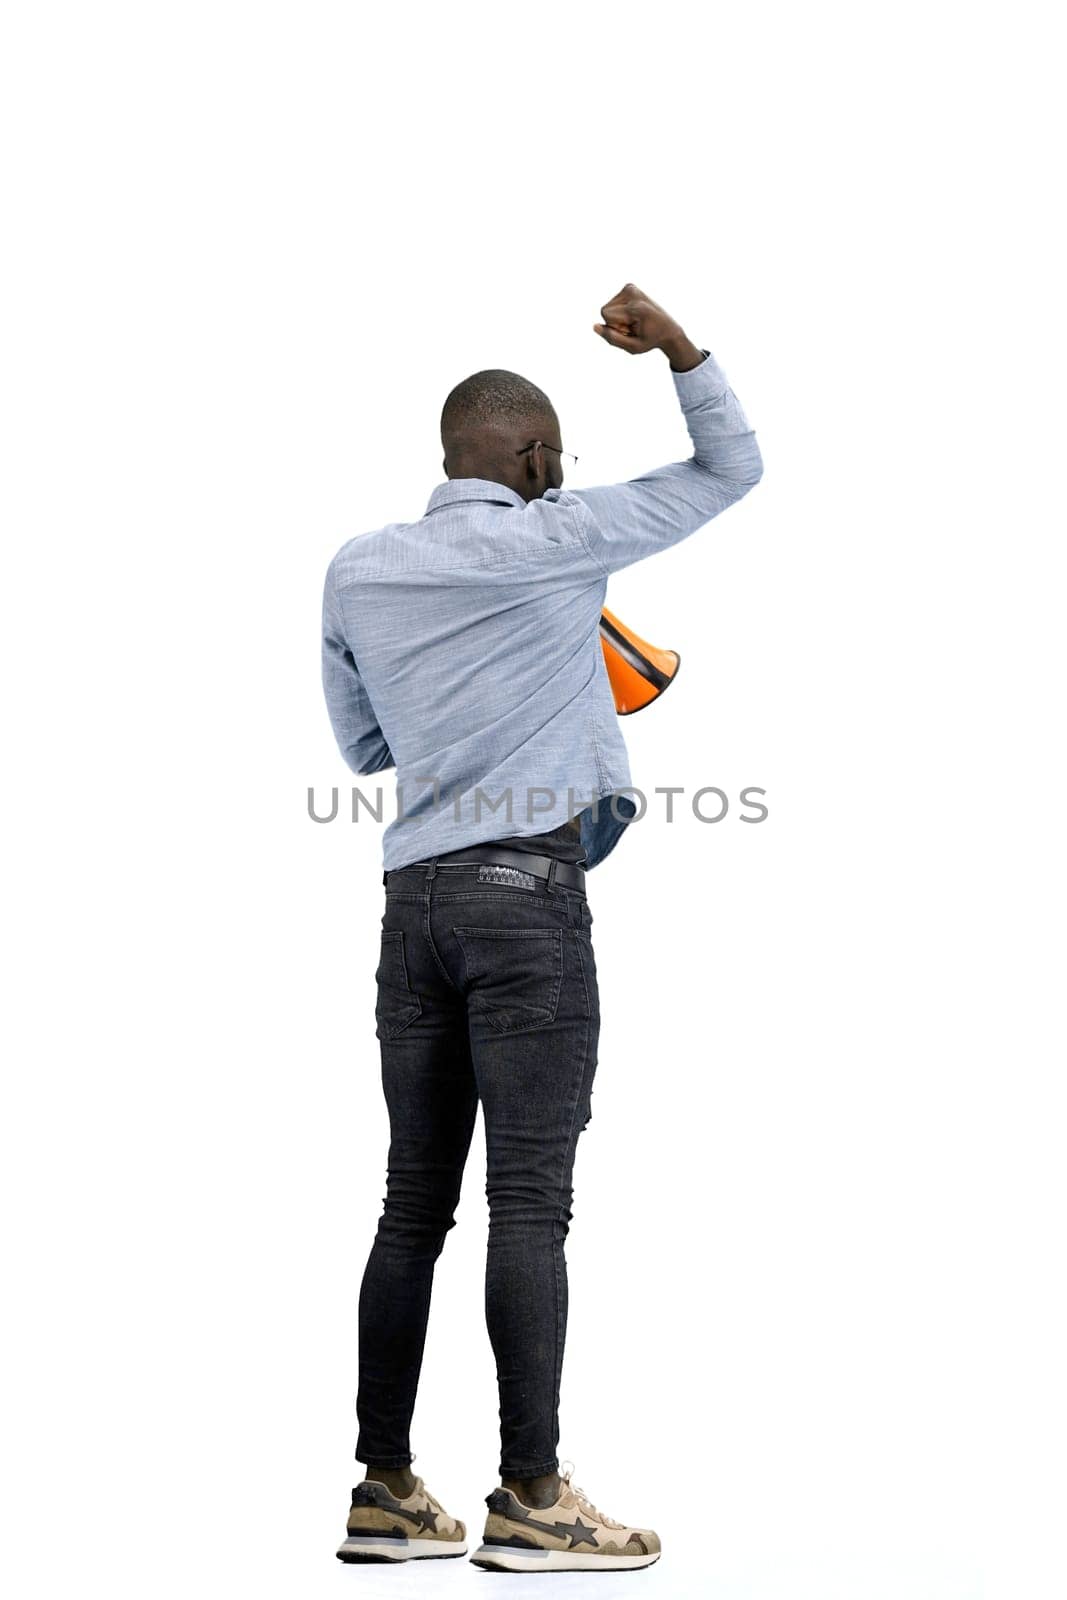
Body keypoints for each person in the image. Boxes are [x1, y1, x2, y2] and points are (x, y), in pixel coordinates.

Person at [323, 284, 763, 1571]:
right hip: (524, 899)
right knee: (529, 1200)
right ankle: (529, 1496)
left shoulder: (356, 565)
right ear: (531, 458)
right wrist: (680, 350)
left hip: (413, 908)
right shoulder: (559, 534)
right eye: (551, 450)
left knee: (412, 1202)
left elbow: (360, 743)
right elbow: (729, 466)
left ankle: (385, 1490)